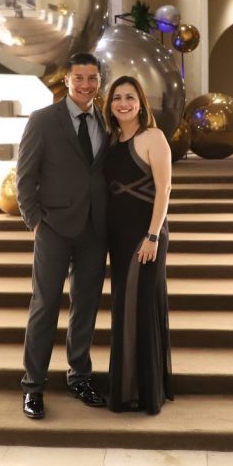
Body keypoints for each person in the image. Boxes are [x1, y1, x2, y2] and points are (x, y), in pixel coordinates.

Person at [15, 52, 109, 419]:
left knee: (85, 306)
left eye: (92, 78)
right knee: (45, 305)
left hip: (94, 229)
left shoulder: (107, 120)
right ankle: (33, 386)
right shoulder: (43, 120)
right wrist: (36, 222)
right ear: (66, 80)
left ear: (99, 81)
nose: (86, 84)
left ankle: (79, 377)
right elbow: (25, 176)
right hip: (53, 228)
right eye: (79, 78)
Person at [101, 75, 174, 414]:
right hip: (118, 235)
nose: (123, 103)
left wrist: (153, 235)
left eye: (130, 97)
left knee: (140, 306)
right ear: (110, 105)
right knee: (124, 308)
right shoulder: (110, 140)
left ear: (141, 103)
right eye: (117, 97)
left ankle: (144, 393)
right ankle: (128, 386)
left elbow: (164, 189)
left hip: (147, 235)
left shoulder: (153, 137)